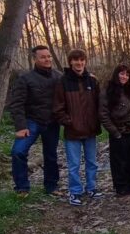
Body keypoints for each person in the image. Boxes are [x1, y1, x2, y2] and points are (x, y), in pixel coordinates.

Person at [8, 45, 62, 197]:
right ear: (35, 59)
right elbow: (16, 104)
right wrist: (21, 126)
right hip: (31, 122)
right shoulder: (25, 79)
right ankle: (22, 188)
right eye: (43, 57)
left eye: (48, 56)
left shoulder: (58, 76)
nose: (47, 59)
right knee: (18, 151)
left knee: (51, 155)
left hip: (52, 122)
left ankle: (51, 186)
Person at [53, 49, 102, 206]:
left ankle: (92, 188)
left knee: (92, 162)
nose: (79, 63)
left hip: (90, 130)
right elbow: (58, 107)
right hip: (72, 131)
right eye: (75, 60)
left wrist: (96, 120)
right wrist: (69, 121)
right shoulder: (63, 82)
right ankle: (75, 192)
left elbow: (100, 103)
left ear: (85, 61)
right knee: (74, 164)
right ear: (70, 62)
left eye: (81, 60)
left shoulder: (92, 81)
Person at [99, 64, 130, 197]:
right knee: (119, 162)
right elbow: (103, 114)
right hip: (118, 132)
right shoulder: (107, 92)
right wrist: (115, 133)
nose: (124, 77)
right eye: (122, 74)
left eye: (127, 74)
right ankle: (120, 186)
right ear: (116, 75)